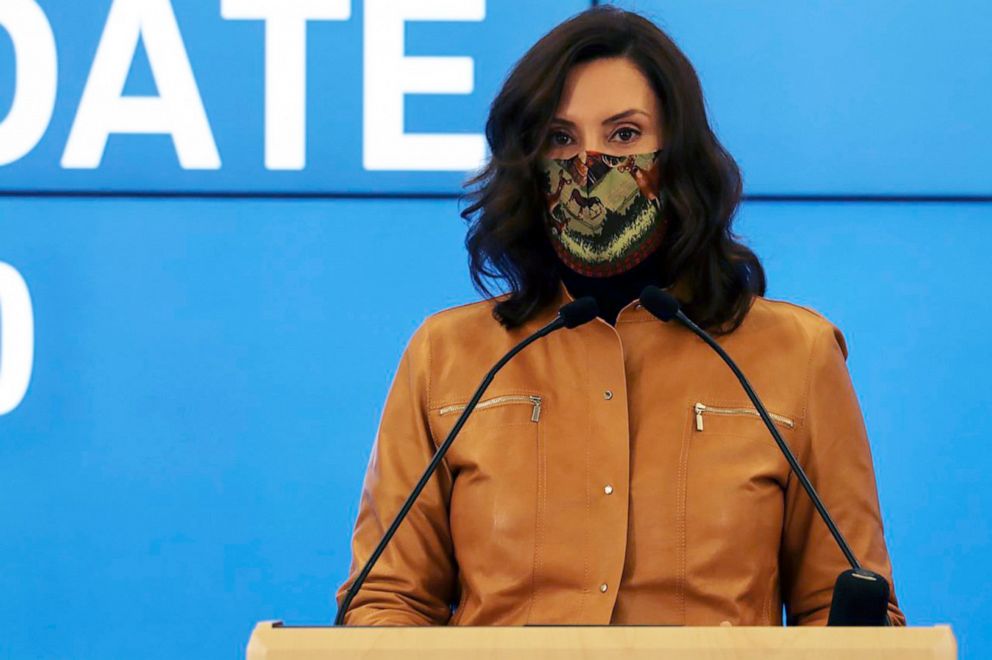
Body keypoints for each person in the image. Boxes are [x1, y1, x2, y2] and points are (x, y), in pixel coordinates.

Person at [335, 6, 905, 626]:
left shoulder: (799, 353)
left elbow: (848, 611)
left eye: (625, 135)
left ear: (678, 154)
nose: (588, 164)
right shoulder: (447, 355)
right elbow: (387, 601)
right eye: (560, 138)